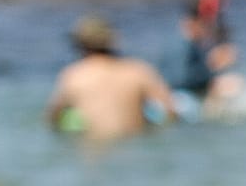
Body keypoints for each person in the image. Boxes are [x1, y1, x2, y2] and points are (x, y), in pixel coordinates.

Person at [44, 15, 180, 139]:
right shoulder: (138, 71)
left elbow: (52, 118)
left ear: (80, 45)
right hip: (133, 146)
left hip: (94, 150)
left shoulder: (74, 75)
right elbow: (171, 111)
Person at [168, 5, 241, 118]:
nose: (208, 29)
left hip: (187, 95)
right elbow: (178, 80)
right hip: (178, 97)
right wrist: (212, 70)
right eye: (206, 24)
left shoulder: (195, 45)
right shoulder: (182, 46)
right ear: (192, 23)